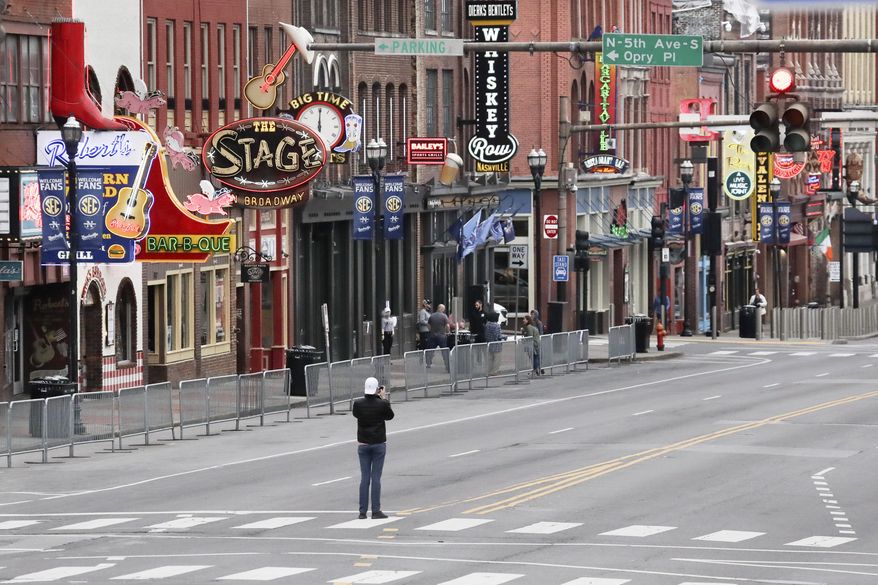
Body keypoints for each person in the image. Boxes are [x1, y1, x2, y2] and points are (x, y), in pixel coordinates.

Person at [352, 377, 394, 519]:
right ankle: (376, 510)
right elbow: (390, 416)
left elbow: (356, 414)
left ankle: (362, 512)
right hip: (378, 444)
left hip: (363, 444)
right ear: (377, 389)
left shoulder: (358, 404)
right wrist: (383, 398)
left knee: (365, 478)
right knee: (376, 478)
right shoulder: (381, 404)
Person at [426, 303, 450, 370]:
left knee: (430, 350)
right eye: (443, 309)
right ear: (441, 309)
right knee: (444, 351)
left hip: (433, 335)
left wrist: (431, 330)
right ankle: (447, 365)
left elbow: (428, 325)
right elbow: (447, 326)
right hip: (442, 336)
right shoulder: (444, 316)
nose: (444, 310)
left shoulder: (432, 316)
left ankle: (428, 363)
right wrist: (447, 332)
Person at [484, 311, 503, 375]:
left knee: (490, 359)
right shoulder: (496, 326)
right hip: (496, 345)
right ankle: (494, 371)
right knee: (497, 359)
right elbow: (498, 336)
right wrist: (504, 338)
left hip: (489, 344)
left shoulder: (487, 324)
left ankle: (489, 371)